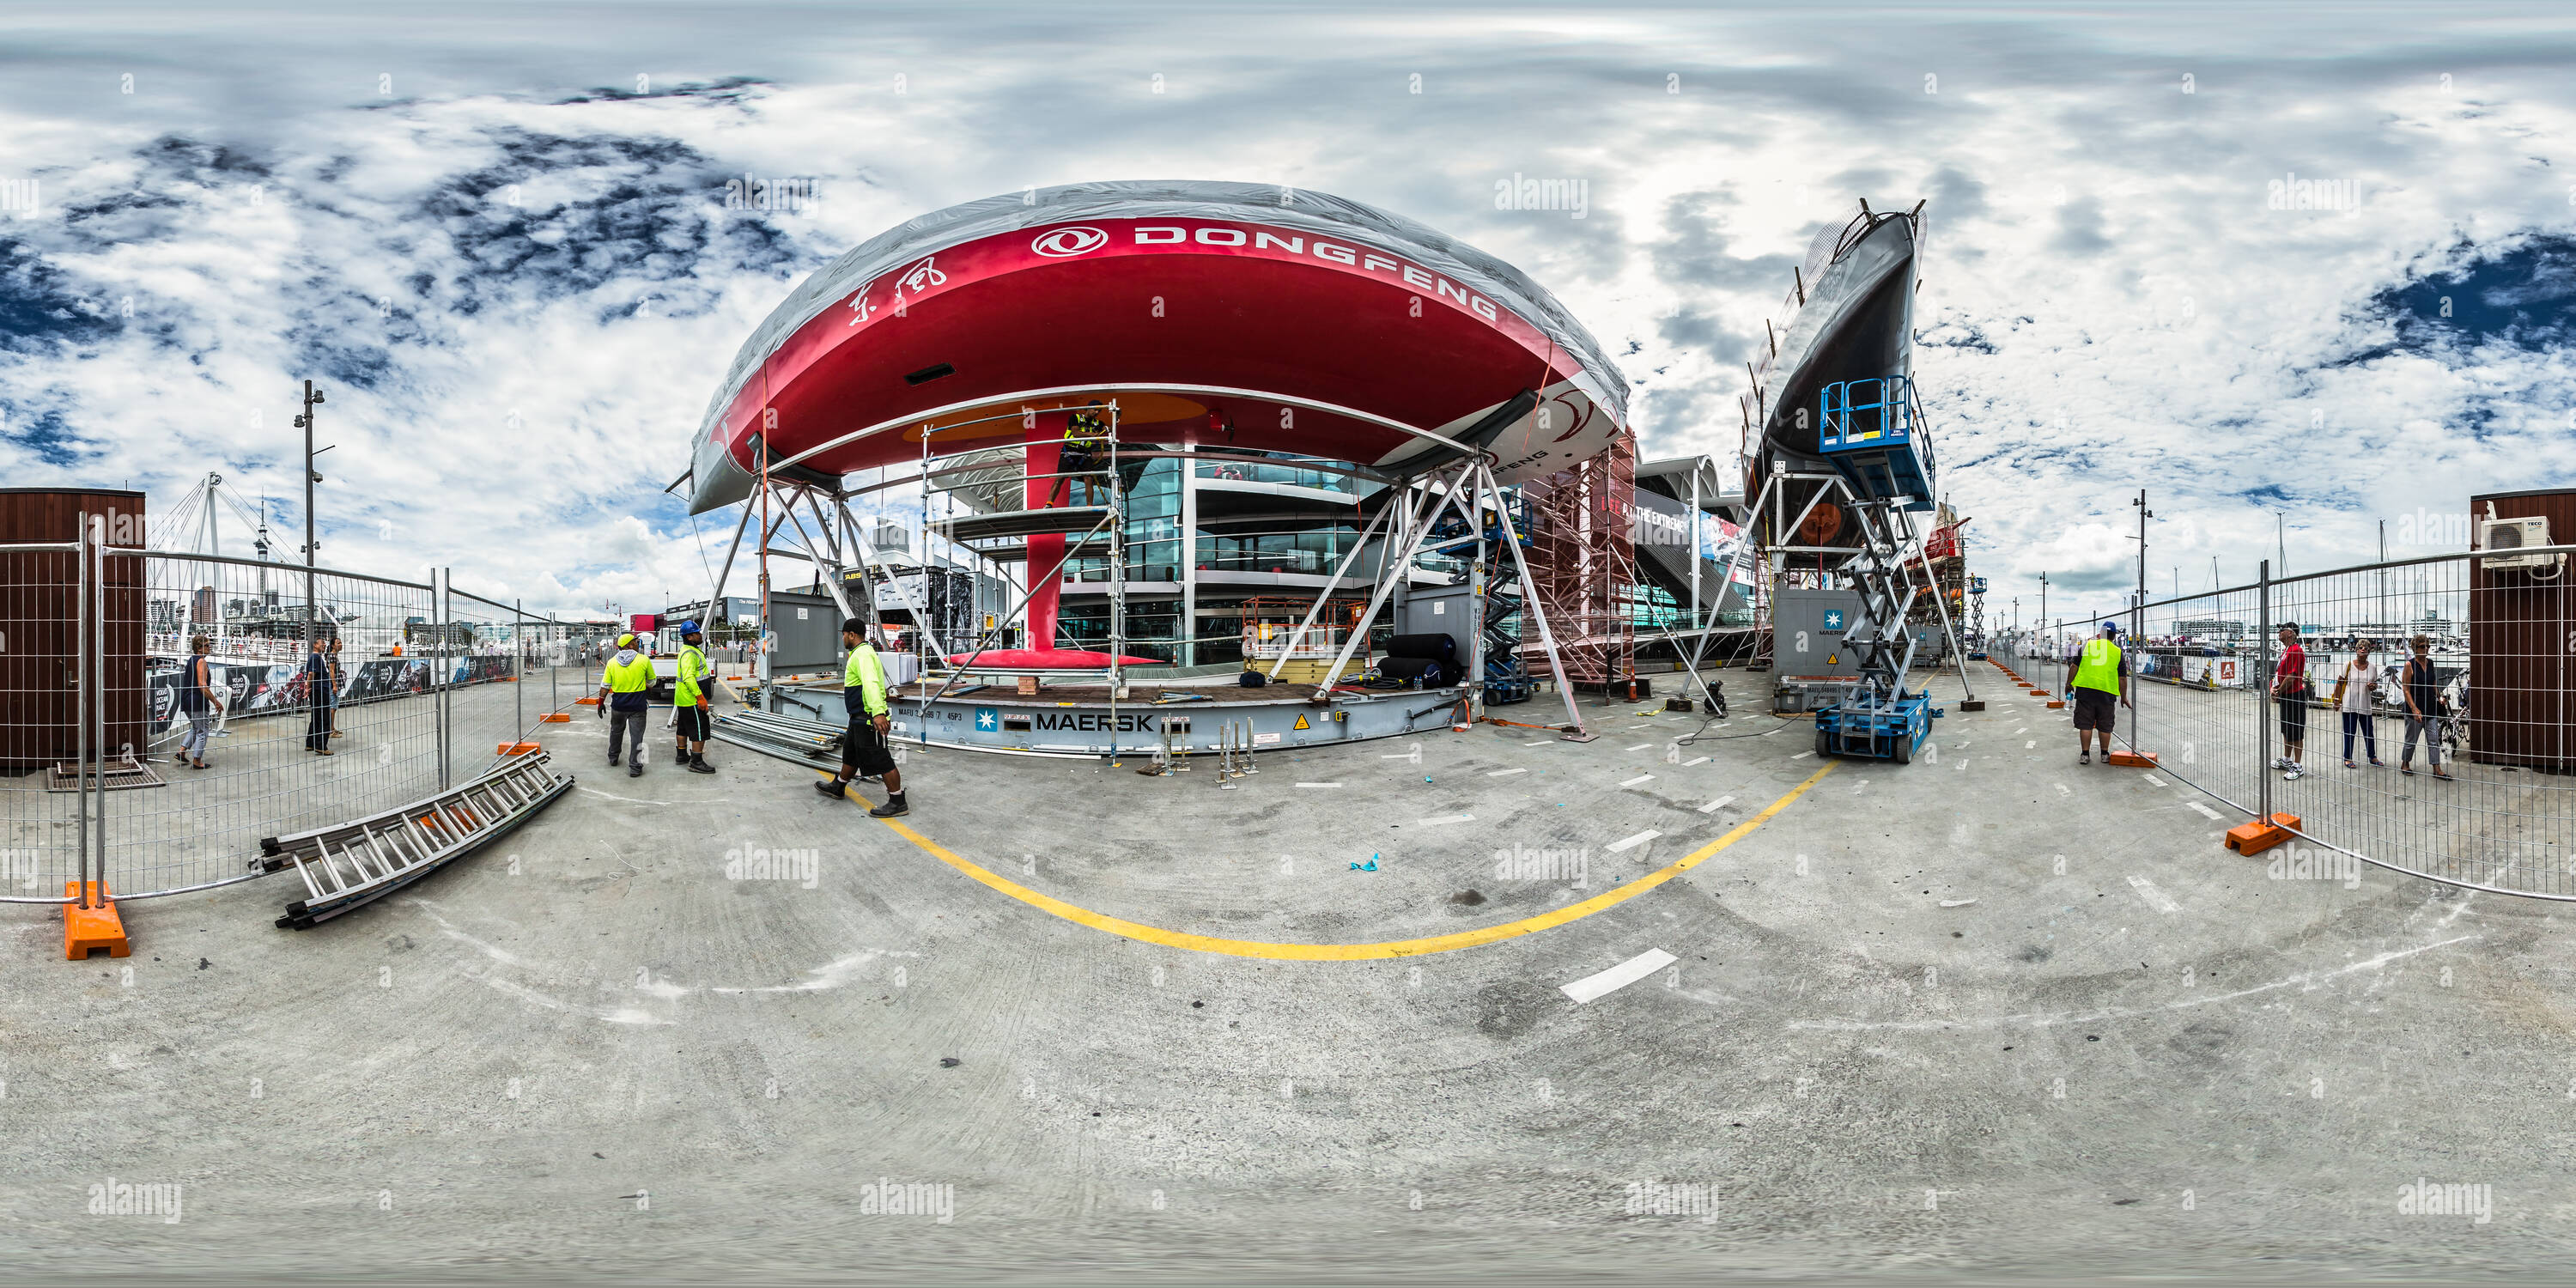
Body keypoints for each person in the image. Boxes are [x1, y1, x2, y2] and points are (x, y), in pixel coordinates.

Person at [816, 616, 907, 816]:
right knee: (851, 754)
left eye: (844, 636)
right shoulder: (860, 653)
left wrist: (878, 713)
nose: (843, 640)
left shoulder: (862, 655)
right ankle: (838, 786)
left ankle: (898, 801)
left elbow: (871, 684)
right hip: (858, 716)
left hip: (867, 718)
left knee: (882, 759)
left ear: (851, 634)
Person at [2068, 620, 2130, 765]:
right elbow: (2122, 678)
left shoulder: (2087, 645)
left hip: (2085, 691)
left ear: (2100, 633)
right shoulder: (2117, 652)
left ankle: (2085, 755)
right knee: (2105, 725)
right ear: (2114, 636)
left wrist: (2068, 684)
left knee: (2085, 724)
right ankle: (2104, 754)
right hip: (2106, 694)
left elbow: (2074, 666)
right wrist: (2124, 697)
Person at [596, 632, 654, 777]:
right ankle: (635, 767)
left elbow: (605, 685)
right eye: (635, 642)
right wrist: (645, 684)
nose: (637, 644)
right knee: (637, 737)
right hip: (638, 706)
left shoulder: (612, 662)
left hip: (618, 706)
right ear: (629, 645)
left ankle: (613, 757)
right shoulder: (643, 660)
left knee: (616, 732)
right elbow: (653, 682)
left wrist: (600, 703)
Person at [2397, 634, 2452, 781]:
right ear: (2415, 648)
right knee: (2411, 740)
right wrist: (2414, 709)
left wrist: (2439, 696)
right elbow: (2406, 689)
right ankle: (2405, 763)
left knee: (2434, 739)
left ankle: (2437, 768)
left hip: (2430, 708)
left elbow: (2433, 683)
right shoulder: (2409, 665)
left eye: (2427, 646)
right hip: (2415, 709)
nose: (2426, 649)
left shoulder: (2430, 663)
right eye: (2423, 647)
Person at [672, 620, 716, 775]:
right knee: (700, 729)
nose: (700, 635)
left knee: (683, 728)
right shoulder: (689, 654)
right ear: (690, 637)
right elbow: (689, 678)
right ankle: (696, 762)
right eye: (697, 633)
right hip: (691, 699)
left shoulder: (689, 650)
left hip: (683, 699)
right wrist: (700, 698)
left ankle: (682, 755)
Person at [2335, 637, 2384, 769]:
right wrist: (2336, 700)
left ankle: (2372, 756)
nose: (2363, 650)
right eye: (2360, 648)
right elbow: (2339, 683)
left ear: (2369, 652)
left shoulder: (2372, 667)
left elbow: (2375, 685)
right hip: (2349, 704)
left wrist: (2373, 686)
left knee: (2369, 732)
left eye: (2366, 648)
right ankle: (2348, 758)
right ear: (2356, 650)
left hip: (2365, 704)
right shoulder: (2348, 665)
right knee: (2349, 732)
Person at [2271, 623, 2311, 781]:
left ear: (2290, 633)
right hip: (2286, 695)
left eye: (2282, 630)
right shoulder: (2286, 651)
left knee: (2296, 731)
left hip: (2294, 695)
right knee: (2286, 729)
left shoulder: (2296, 650)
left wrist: (2278, 690)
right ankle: (2287, 760)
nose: (2279, 632)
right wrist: (2273, 689)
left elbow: (2292, 675)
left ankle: (2297, 765)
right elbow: (2279, 672)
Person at [177, 634, 222, 769]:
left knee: (196, 728)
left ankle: (182, 751)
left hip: (187, 700)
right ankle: (197, 761)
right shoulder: (201, 661)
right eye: (207, 645)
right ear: (199, 648)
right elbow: (202, 685)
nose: (209, 647)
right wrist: (216, 701)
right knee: (203, 731)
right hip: (197, 701)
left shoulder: (191, 660)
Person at [303, 632, 336, 756]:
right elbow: (311, 674)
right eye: (322, 643)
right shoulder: (316, 657)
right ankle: (321, 745)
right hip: (320, 691)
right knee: (324, 718)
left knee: (316, 717)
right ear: (315, 645)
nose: (324, 645)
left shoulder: (314, 657)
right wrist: (308, 688)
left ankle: (310, 743)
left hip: (317, 691)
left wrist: (308, 688)